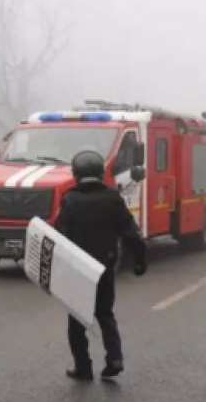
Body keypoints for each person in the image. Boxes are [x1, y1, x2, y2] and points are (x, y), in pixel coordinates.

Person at [54, 150, 147, 381]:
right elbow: (131, 232)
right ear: (99, 172)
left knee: (76, 320)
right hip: (105, 265)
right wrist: (140, 259)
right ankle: (115, 359)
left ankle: (83, 368)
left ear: (76, 174)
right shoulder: (113, 198)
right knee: (105, 314)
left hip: (77, 269)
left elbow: (58, 235)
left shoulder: (70, 199)